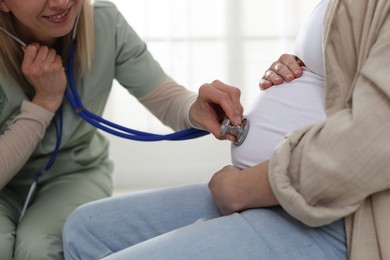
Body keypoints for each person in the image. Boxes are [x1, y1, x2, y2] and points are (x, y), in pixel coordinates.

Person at [63, 0, 390, 259]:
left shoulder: (104, 21)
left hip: (343, 212)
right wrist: (311, 65)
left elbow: (376, 138)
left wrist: (243, 188)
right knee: (85, 229)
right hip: (284, 193)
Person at [0, 0, 245, 259]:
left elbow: (167, 99)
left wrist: (194, 109)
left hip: (73, 173)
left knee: (40, 248)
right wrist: (44, 104)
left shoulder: (105, 23)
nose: (61, 2)